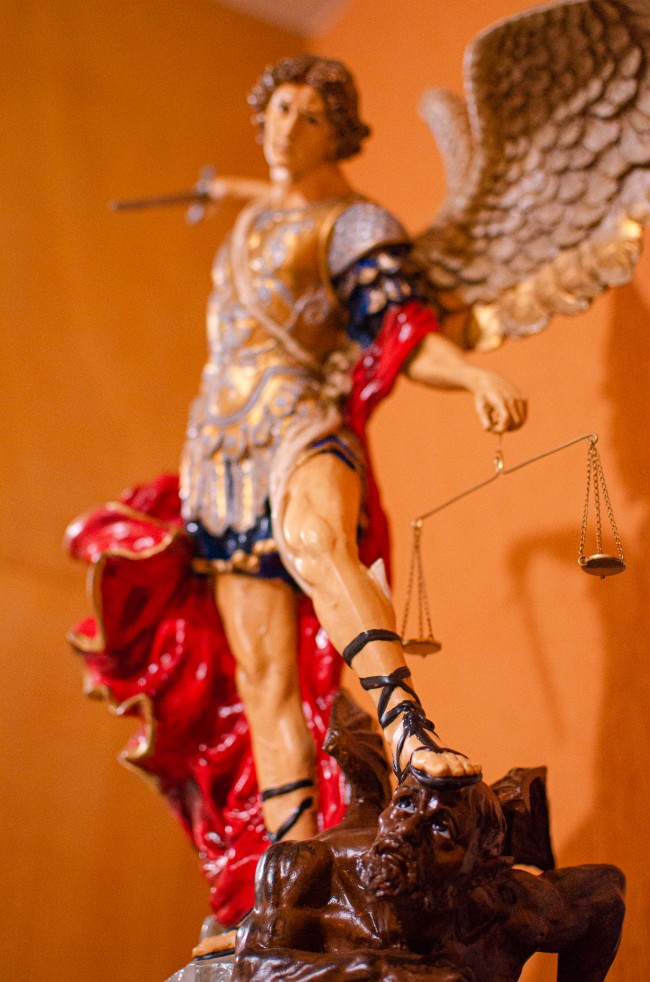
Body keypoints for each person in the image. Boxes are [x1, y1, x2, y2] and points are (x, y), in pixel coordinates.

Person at [178, 53, 527, 850]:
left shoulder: (356, 225)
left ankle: (407, 730)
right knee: (262, 677)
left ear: (337, 134)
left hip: (302, 417)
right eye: (278, 110)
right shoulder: (253, 220)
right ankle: (288, 863)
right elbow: (268, 198)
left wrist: (471, 374)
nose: (287, 129)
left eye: (310, 117)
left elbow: (402, 329)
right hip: (219, 453)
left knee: (317, 541)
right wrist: (229, 189)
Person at [233, 773, 626, 982]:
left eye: (440, 827)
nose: (406, 830)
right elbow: (252, 969)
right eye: (404, 804)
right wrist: (382, 972)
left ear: (481, 869)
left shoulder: (506, 910)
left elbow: (605, 891)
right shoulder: (309, 869)